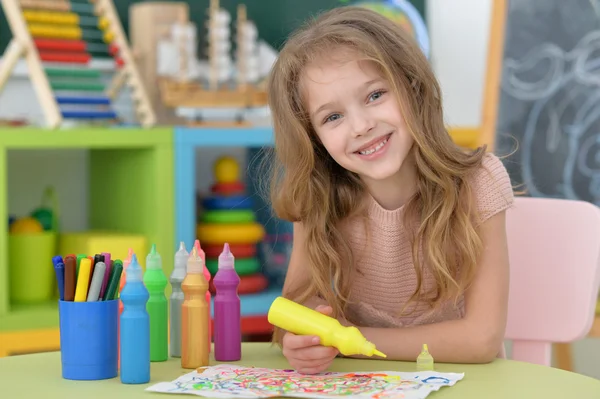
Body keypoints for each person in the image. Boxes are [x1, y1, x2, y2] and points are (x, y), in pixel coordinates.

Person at [264, 6, 514, 374]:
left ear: (412, 86)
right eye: (333, 117)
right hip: (360, 383)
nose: (362, 125)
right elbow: (295, 311)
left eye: (375, 95)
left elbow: (481, 339)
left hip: (464, 383)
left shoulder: (479, 183)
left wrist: (351, 341)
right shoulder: (316, 196)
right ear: (313, 138)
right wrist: (299, 341)